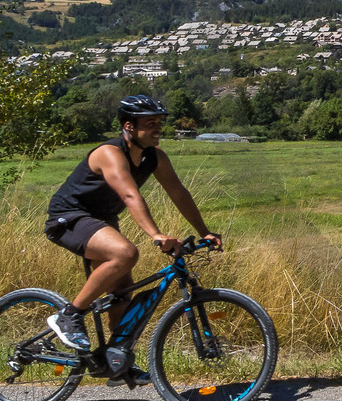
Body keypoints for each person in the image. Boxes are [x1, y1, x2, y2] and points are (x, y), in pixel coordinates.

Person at [44, 95, 221, 377]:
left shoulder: (155, 157)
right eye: (149, 123)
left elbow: (178, 192)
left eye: (159, 123)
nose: (157, 128)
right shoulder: (109, 153)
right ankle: (69, 316)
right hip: (69, 218)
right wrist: (156, 235)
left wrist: (205, 232)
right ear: (128, 126)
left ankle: (115, 362)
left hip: (102, 222)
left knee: (122, 296)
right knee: (125, 253)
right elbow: (129, 194)